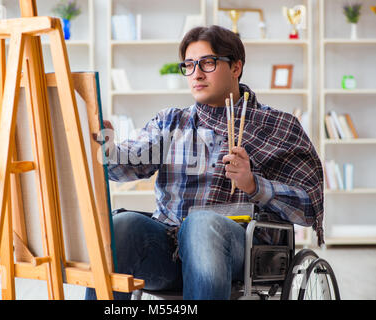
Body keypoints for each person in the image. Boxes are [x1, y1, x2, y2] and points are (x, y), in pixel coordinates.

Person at [86, 25, 324, 300]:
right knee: (122, 226)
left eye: (207, 63)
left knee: (201, 225)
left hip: (243, 252)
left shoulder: (279, 125)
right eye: (189, 65)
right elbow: (128, 164)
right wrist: (107, 148)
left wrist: (253, 184)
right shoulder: (171, 121)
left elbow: (309, 205)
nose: (196, 73)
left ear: (236, 67)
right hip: (169, 250)